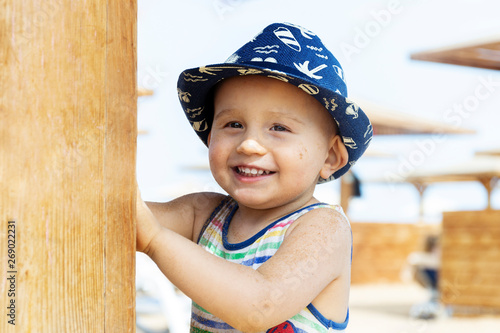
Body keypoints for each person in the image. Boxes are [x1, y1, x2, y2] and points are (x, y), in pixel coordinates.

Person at [136, 22, 372, 333]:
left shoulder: (323, 229)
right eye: (233, 124)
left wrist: (155, 240)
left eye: (279, 128)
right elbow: (120, 216)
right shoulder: (202, 214)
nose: (249, 144)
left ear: (329, 158)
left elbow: (260, 306)